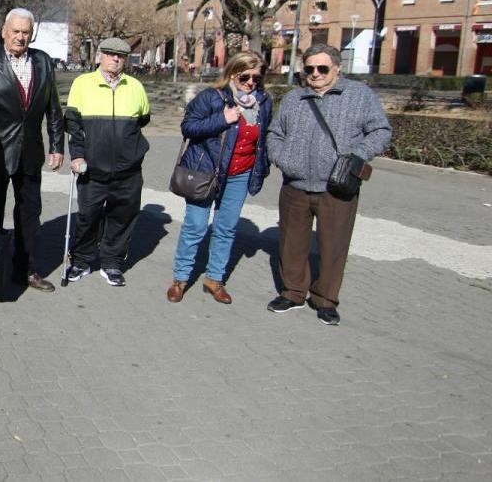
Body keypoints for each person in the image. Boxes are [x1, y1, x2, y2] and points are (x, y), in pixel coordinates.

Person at [266, 43, 392, 325]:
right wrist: (281, 157)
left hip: (336, 185)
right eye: (309, 69)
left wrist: (355, 156)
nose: (315, 74)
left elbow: (381, 130)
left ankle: (325, 299)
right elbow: (275, 133)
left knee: (333, 244)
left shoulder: (359, 95)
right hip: (295, 183)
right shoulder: (294, 98)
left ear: (337, 68)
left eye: (322, 68)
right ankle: (293, 292)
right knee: (291, 242)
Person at [167, 51, 272, 305]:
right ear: (233, 73)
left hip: (240, 174)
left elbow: (263, 139)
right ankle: (180, 279)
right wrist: (222, 119)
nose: (250, 82)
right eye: (245, 76)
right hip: (206, 172)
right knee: (195, 226)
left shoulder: (263, 101)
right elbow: (188, 127)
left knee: (226, 228)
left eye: (255, 78)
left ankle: (214, 279)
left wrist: (262, 168)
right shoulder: (212, 97)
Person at [0, 8, 65, 292]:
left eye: (26, 32)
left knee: (30, 214)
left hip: (31, 153)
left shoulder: (43, 62)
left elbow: (53, 107)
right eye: (16, 31)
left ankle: (26, 270)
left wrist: (57, 145)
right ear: (4, 31)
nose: (21, 37)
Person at [64, 37, 150, 287]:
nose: (116, 59)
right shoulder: (82, 84)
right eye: (111, 54)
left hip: (128, 169)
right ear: (99, 55)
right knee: (88, 215)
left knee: (122, 216)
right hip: (93, 168)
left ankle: (111, 261)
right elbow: (73, 124)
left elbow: (142, 119)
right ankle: (81, 260)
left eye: (121, 56)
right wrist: (77, 154)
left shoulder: (135, 86)